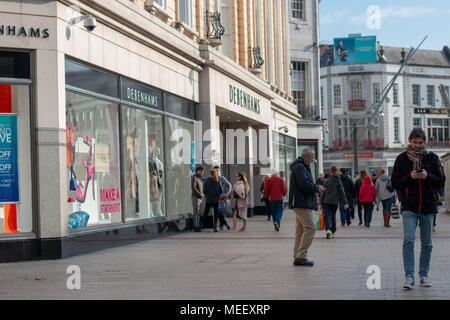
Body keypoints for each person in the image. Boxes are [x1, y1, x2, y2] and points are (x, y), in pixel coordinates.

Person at [391, 128, 445, 290]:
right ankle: (409, 276)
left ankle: (423, 275)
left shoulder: (433, 158)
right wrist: (410, 177)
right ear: (409, 140)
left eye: (420, 143)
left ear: (425, 142)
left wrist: (428, 176)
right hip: (409, 206)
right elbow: (395, 183)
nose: (417, 146)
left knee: (427, 243)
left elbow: (441, 181)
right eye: (414, 142)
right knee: (408, 240)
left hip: (428, 207)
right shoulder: (401, 159)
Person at [288, 147, 323, 267]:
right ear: (307, 157)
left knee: (301, 230)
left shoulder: (300, 166)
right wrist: (317, 188)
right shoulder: (300, 167)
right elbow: (304, 185)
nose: (312, 161)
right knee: (310, 228)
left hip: (300, 202)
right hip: (302, 203)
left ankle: (297, 256)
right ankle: (301, 256)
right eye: (312, 159)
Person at [321, 166, 348, 239]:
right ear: (336, 171)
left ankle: (328, 230)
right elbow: (342, 192)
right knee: (333, 217)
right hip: (335, 202)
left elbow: (323, 192)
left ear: (330, 172)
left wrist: (321, 202)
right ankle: (333, 232)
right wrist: (345, 202)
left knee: (327, 216)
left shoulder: (326, 181)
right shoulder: (338, 181)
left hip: (327, 201)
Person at [213, 166, 232, 230]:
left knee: (221, 211)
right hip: (214, 198)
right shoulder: (211, 178)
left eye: (217, 170)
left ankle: (221, 225)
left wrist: (227, 194)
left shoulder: (221, 178)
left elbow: (229, 185)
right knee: (217, 212)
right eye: (215, 170)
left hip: (221, 198)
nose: (216, 172)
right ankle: (225, 223)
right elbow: (203, 179)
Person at [191, 165, 205, 232]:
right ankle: (195, 226)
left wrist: (203, 195)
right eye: (201, 170)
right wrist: (200, 195)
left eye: (203, 171)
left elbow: (201, 189)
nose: (203, 172)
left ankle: (197, 225)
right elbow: (193, 188)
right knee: (196, 212)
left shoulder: (200, 178)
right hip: (196, 197)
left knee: (199, 212)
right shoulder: (194, 177)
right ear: (198, 171)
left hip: (200, 198)